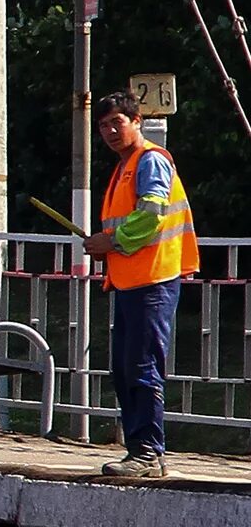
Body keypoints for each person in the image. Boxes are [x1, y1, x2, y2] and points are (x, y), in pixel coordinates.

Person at [83, 91, 200, 479]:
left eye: (117, 122)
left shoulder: (150, 160)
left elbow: (151, 215)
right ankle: (139, 450)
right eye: (103, 126)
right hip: (133, 281)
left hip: (154, 279)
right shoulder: (126, 165)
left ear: (136, 121)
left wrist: (110, 242)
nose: (110, 131)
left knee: (142, 366)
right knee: (126, 368)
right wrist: (107, 245)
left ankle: (148, 453)